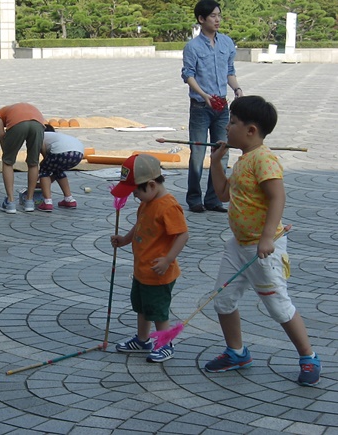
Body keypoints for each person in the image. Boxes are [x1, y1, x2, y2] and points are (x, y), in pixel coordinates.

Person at [207, 96, 321, 386]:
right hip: (238, 244)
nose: (227, 128)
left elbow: (277, 197)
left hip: (263, 247)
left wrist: (268, 237)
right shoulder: (244, 159)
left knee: (278, 306)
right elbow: (222, 194)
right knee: (223, 300)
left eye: (232, 122)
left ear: (251, 130)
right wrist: (217, 162)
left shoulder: (264, 159)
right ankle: (236, 352)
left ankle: (308, 356)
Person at [110, 154, 189, 363]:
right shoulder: (147, 202)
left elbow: (182, 234)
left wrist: (168, 259)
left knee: (158, 311)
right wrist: (125, 239)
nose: (135, 196)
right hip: (142, 270)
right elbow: (140, 225)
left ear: (151, 185)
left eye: (136, 191)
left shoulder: (168, 206)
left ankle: (165, 344)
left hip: (159, 272)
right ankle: (143, 339)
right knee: (142, 307)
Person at [181, 0, 243, 213]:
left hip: (222, 107)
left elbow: (230, 71)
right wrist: (204, 95)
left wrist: (237, 90)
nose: (217, 19)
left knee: (222, 151)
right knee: (198, 152)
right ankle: (194, 199)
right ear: (201, 19)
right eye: (213, 16)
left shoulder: (226, 43)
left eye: (219, 15)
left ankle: (214, 198)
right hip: (200, 106)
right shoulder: (193, 47)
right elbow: (188, 75)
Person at [0, 103, 45, 213]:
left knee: (8, 163)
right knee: (33, 163)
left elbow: (2, 134)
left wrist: (6, 154)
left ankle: (10, 202)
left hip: (18, 124)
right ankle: (29, 201)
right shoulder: (16, 108)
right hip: (38, 123)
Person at [36, 125, 85, 212]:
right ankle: (69, 199)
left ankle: (47, 202)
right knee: (58, 170)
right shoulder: (57, 136)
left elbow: (42, 149)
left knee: (44, 170)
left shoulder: (40, 134)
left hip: (61, 152)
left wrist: (39, 178)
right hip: (78, 154)